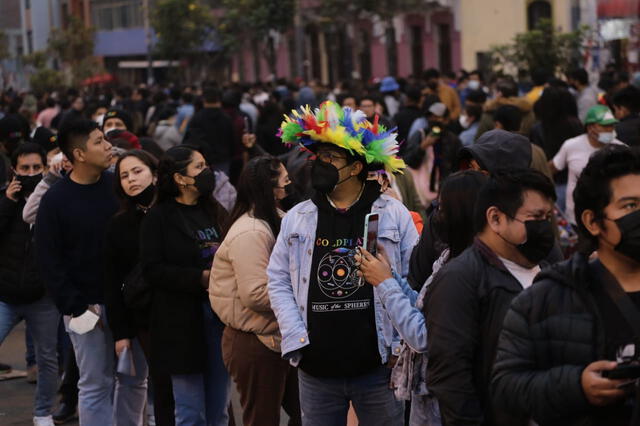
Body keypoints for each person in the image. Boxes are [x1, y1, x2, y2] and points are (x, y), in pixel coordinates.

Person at [269, 101, 418, 426]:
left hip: (378, 366)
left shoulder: (392, 215)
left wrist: (398, 343)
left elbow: (414, 278)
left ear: (355, 168)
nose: (320, 164)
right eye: (319, 157)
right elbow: (277, 280)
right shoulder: (298, 218)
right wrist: (296, 336)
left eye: (331, 158)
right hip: (316, 370)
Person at [492, 145, 640, 426]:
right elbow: (506, 387)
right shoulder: (545, 299)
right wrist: (576, 386)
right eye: (630, 206)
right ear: (592, 222)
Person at [424, 169, 557, 426]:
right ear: (495, 218)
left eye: (548, 217)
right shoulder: (460, 280)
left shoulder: (547, 271)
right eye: (535, 217)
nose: (544, 227)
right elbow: (451, 379)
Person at [35, 118, 146, 426]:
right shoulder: (55, 200)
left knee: (135, 381)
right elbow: (49, 260)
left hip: (131, 304)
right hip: (87, 309)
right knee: (95, 384)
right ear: (79, 154)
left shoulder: (119, 187)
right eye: (99, 141)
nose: (108, 146)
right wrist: (76, 309)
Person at [357, 170, 488, 426]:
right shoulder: (449, 257)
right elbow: (424, 306)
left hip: (445, 404)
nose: (436, 213)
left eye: (444, 208)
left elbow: (424, 335)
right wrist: (391, 275)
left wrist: (384, 284)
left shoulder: (466, 273)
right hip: (429, 399)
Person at [140, 145, 231, 426]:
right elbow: (152, 270)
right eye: (199, 167)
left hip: (218, 315)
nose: (207, 172)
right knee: (190, 412)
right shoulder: (159, 217)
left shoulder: (213, 210)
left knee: (220, 410)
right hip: (181, 321)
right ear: (181, 178)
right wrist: (199, 278)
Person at [210, 156, 301, 426]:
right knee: (262, 418)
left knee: (306, 411)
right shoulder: (251, 232)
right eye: (285, 182)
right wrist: (303, 294)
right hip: (256, 341)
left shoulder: (277, 219)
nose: (290, 186)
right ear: (269, 188)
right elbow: (256, 294)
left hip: (277, 336)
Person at [105, 150, 174, 426]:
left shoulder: (175, 212)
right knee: (161, 387)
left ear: (155, 174)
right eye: (124, 175)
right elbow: (111, 280)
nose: (131, 179)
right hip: (145, 318)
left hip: (185, 312)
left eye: (137, 171)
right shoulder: (119, 224)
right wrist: (121, 333)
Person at [0, 143, 60, 426]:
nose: (31, 173)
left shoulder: (52, 199)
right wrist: (8, 203)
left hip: (43, 295)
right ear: (14, 170)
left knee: (47, 358)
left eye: (37, 168)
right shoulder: (4, 200)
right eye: (25, 168)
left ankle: (43, 412)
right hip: (6, 294)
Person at [550, 105, 625, 225]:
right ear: (590, 128)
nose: (610, 130)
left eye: (612, 125)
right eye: (605, 126)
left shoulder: (621, 150)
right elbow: (551, 169)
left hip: (610, 220)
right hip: (575, 219)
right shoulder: (571, 145)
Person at [403, 102, 463, 208]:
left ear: (446, 120)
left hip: (444, 193)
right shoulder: (420, 135)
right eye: (431, 117)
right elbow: (408, 161)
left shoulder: (453, 140)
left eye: (437, 117)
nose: (433, 120)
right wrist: (423, 146)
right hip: (420, 195)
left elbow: (457, 167)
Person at [183, 88, 235, 176]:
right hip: (223, 159)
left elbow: (191, 140)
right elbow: (232, 140)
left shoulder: (197, 118)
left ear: (204, 100)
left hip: (202, 160)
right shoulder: (227, 119)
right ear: (219, 100)